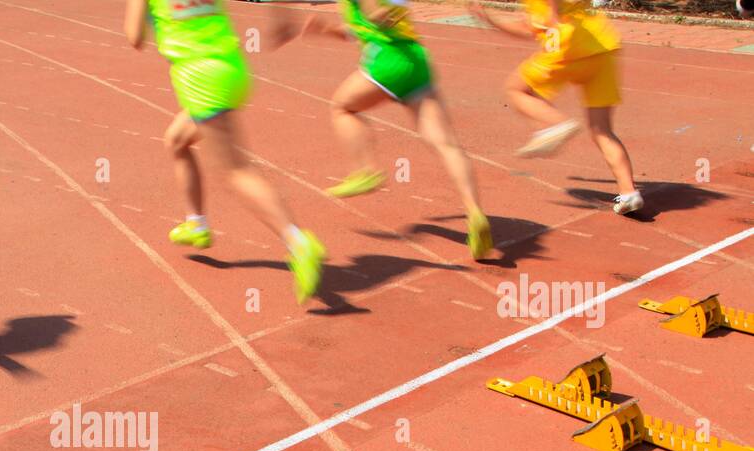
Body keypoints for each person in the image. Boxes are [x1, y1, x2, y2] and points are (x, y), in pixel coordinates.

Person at [124, 0, 325, 304]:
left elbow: (134, 37)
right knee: (177, 140)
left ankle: (298, 242)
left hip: (201, 79)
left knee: (235, 171)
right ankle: (196, 224)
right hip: (232, 68)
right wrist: (283, 16)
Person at [274, 3, 492, 260]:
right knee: (447, 144)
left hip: (387, 61)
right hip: (416, 60)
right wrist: (326, 29)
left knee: (343, 107)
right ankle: (475, 212)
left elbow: (374, 16)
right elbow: (357, 30)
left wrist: (377, 14)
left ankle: (365, 170)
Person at [470, 0, 642, 215]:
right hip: (602, 47)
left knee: (516, 89)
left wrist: (552, 12)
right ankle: (629, 193)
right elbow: (527, 27)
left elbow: (545, 17)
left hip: (569, 45)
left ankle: (555, 124)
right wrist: (489, 18)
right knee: (601, 129)